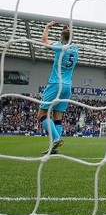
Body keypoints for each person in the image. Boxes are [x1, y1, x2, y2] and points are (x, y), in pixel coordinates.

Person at [37, 21, 79, 155]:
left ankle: (56, 138)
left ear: (62, 37)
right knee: (57, 116)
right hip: (68, 86)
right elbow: (69, 38)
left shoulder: (60, 47)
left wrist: (47, 27)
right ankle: (53, 148)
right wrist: (67, 31)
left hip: (55, 84)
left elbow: (44, 40)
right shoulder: (75, 49)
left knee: (42, 114)